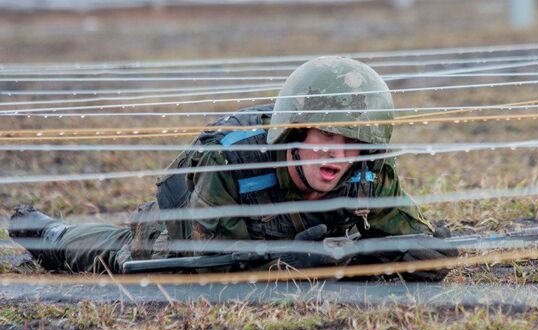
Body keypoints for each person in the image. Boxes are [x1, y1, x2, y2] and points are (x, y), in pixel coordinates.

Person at [8, 56, 457, 280]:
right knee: (125, 249)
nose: (336, 156)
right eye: (324, 137)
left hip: (271, 233)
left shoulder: (371, 167)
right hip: (184, 228)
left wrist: (415, 255)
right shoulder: (232, 161)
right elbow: (206, 266)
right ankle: (48, 235)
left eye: (349, 143)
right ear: (296, 134)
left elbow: (411, 238)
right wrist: (287, 262)